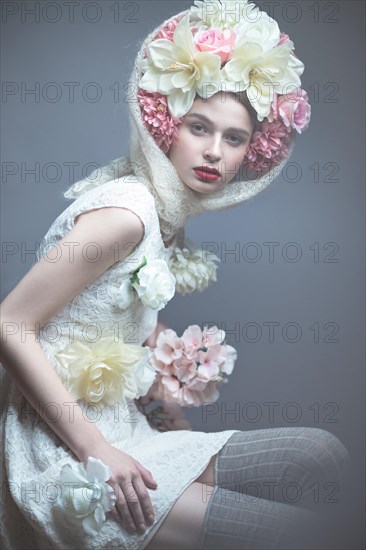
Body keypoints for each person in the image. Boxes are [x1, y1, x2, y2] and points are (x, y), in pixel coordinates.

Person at [0, 1, 351, 549]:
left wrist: (164, 395)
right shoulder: (125, 215)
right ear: (166, 127)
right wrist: (97, 448)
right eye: (198, 127)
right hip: (63, 445)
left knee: (321, 454)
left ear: (250, 152)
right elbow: (9, 325)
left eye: (233, 138)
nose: (213, 151)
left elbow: (103, 324)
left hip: (125, 429)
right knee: (302, 535)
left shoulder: (163, 216)